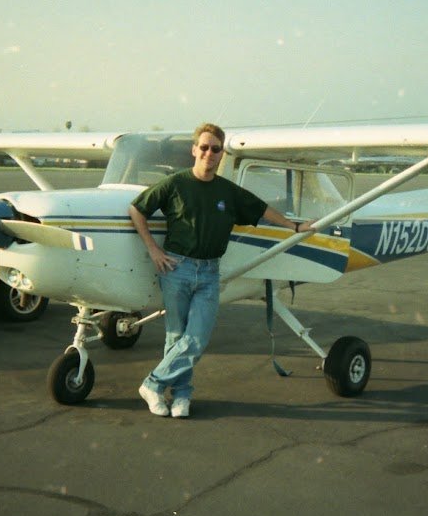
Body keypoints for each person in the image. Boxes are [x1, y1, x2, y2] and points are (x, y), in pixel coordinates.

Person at [128, 123, 313, 418]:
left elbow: (261, 209)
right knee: (177, 337)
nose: (209, 153)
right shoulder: (175, 184)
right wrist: (153, 248)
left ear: (221, 154)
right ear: (194, 150)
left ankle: (153, 383)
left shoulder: (227, 191)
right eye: (204, 147)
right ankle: (180, 397)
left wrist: (295, 226)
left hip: (210, 272)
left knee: (197, 338)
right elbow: (137, 209)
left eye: (215, 149)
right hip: (177, 268)